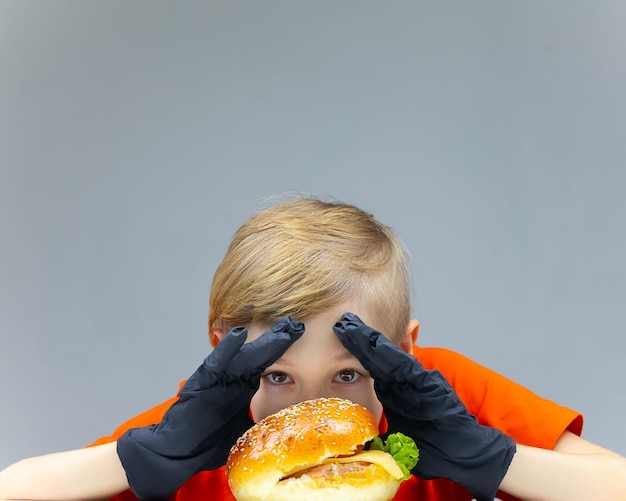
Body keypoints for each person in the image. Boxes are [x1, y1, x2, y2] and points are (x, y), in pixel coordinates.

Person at [1, 197, 625, 501]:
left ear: (405, 351)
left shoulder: (447, 397)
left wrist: (495, 460)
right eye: (277, 376)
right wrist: (138, 460)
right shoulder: (200, 434)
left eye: (350, 372)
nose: (315, 408)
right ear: (225, 354)